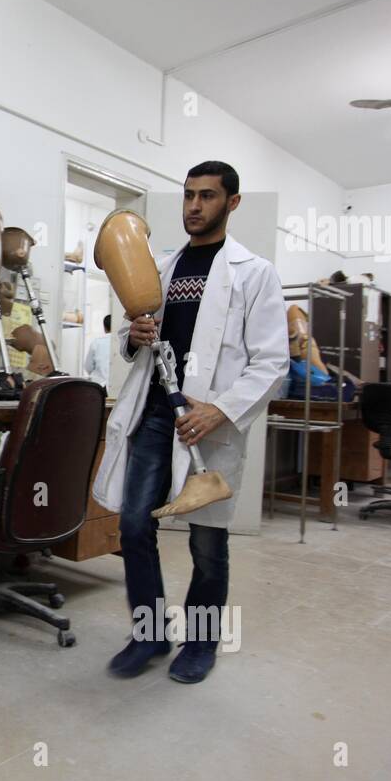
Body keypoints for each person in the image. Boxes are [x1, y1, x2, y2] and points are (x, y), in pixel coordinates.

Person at [92, 161, 289, 684]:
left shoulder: (254, 273)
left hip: (209, 422)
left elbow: (271, 361)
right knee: (134, 524)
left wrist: (220, 409)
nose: (194, 206)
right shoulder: (158, 266)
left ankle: (201, 645)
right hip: (155, 415)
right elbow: (137, 344)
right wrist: (131, 337)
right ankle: (150, 632)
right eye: (188, 196)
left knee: (207, 541)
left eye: (206, 196)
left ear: (233, 203)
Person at [83, 314, 114, 386]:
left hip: (98, 387)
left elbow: (88, 367)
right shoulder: (122, 343)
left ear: (104, 328)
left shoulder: (96, 342)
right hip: (117, 388)